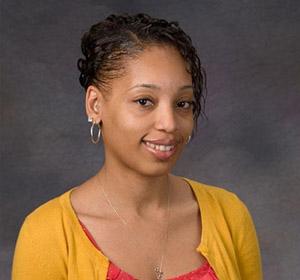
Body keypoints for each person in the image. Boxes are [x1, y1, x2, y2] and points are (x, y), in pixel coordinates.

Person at [12, 13, 263, 280]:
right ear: (95, 105)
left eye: (182, 103)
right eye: (144, 101)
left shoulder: (230, 215)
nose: (169, 123)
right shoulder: (47, 234)